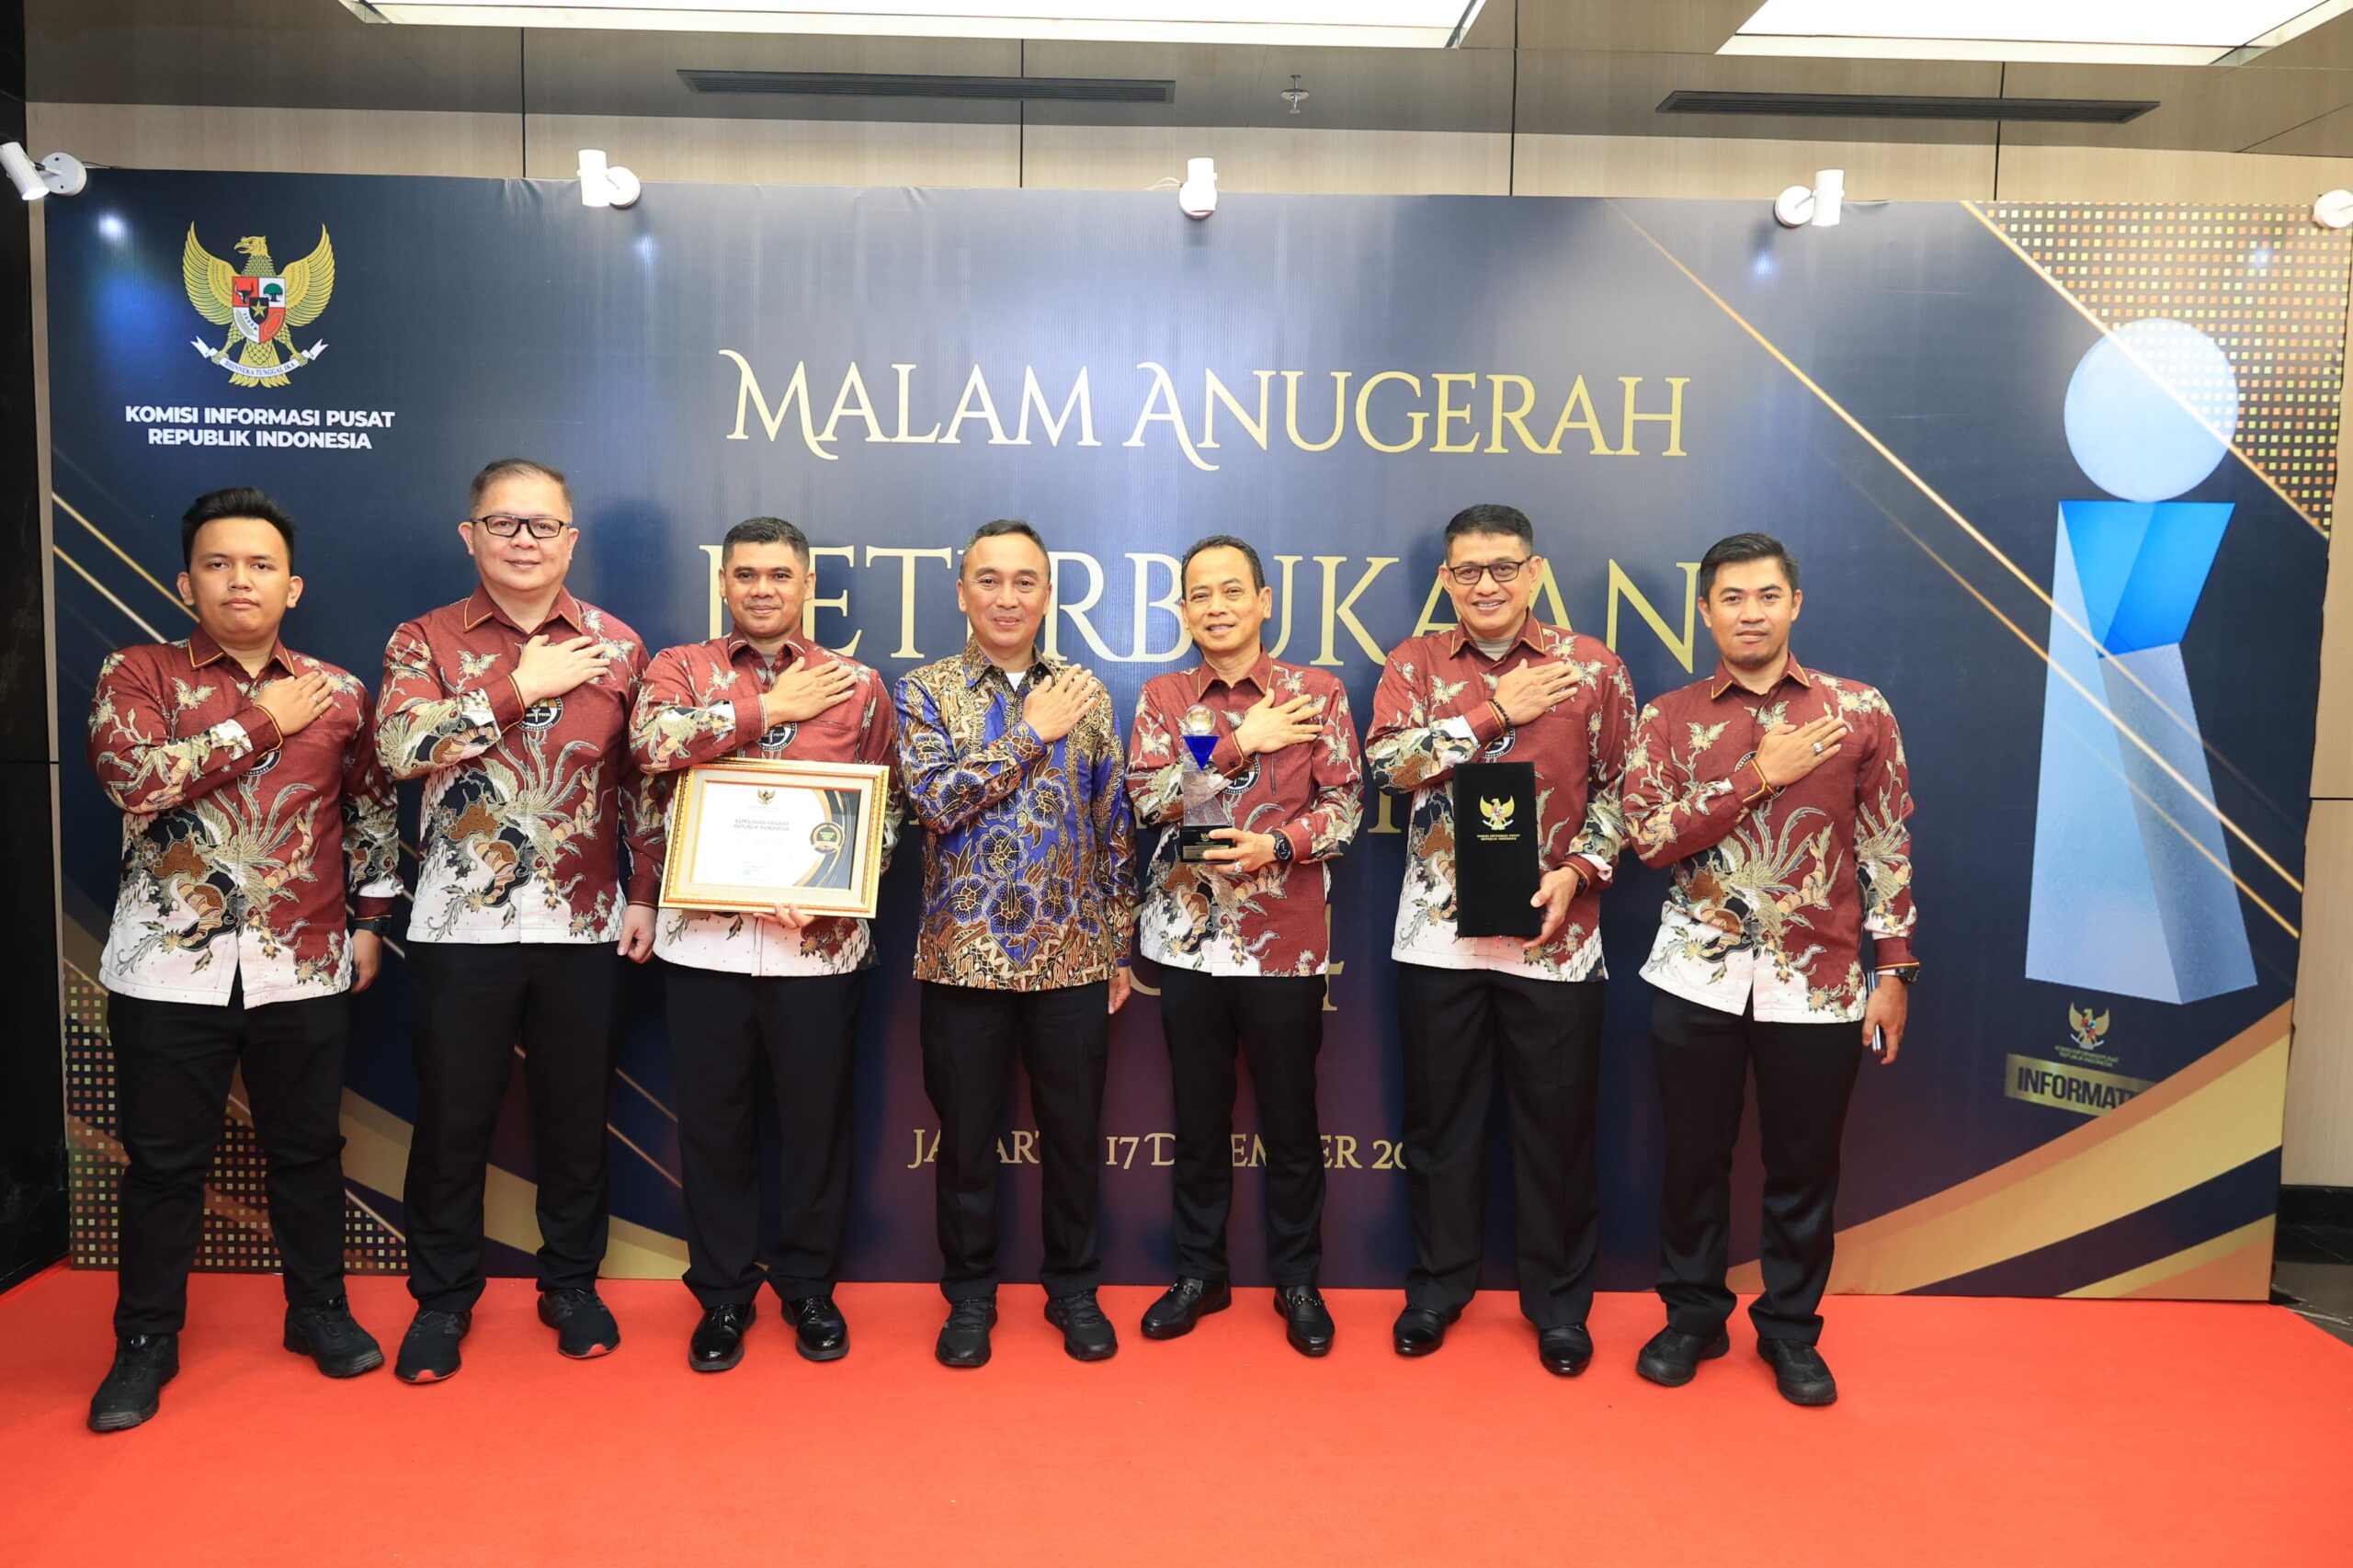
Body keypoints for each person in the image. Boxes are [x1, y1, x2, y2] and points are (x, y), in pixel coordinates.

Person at [85, 487, 400, 1431]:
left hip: (302, 962)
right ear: (187, 582)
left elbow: (370, 810)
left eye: (261, 565)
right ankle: (146, 1339)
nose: (239, 580)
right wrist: (262, 721)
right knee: (164, 1165)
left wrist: (371, 919)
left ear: (291, 586)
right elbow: (132, 778)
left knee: (307, 1150)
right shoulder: (137, 672)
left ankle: (318, 1309)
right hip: (165, 968)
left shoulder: (341, 692)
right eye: (218, 564)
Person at [376, 458, 658, 1382]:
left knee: (576, 1119)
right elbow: (399, 747)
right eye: (505, 523)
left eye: (543, 525)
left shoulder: (619, 647)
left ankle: (569, 1284)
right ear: (471, 536)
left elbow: (643, 786)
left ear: (571, 539)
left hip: (584, 924)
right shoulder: (423, 640)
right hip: (461, 926)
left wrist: (646, 892)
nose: (525, 540)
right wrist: (519, 684)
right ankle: (442, 1298)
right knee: (452, 1121)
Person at [1621, 530, 1917, 1407]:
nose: (1750, 613)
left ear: (1795, 604)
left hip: (1820, 979)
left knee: (1803, 1165)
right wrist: (1759, 773)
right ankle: (1693, 1317)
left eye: (1766, 596)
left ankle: (1790, 1329)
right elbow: (1650, 838)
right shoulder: (1666, 717)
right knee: (1693, 1159)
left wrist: (1895, 968)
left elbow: (1886, 845)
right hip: (1696, 974)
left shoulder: (1858, 709)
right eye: (1732, 598)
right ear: (1706, 612)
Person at [1365, 502, 1636, 1376]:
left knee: (1555, 1134)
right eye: (1469, 570)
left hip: (1556, 939)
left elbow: (1623, 791)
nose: (1487, 585)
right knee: (1440, 1129)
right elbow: (1387, 767)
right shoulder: (1412, 665)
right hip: (1437, 938)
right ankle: (1436, 1290)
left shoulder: (1591, 667)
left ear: (1535, 572)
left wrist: (1580, 872)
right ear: (1446, 578)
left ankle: (1559, 1307)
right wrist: (1491, 713)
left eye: (1504, 568)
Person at [630, 517, 899, 1372]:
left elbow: (885, 812)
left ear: (807, 584)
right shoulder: (680, 669)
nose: (762, 589)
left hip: (815, 949)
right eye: (746, 574)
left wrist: (832, 893)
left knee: (815, 1128)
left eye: (779, 575)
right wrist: (770, 709)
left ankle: (810, 1288)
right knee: (714, 1128)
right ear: (723, 583)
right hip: (703, 945)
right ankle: (722, 1295)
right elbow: (649, 750)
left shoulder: (858, 685)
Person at [895, 518, 1136, 1368]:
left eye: (1024, 581)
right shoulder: (924, 692)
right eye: (989, 580)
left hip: (1073, 957)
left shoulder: (1085, 692)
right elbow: (933, 802)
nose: (1007, 597)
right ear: (963, 592)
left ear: (1046, 595)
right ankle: (969, 1297)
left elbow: (1113, 824)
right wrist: (1032, 732)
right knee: (966, 1140)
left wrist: (1118, 943)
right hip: (962, 956)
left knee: (1072, 1137)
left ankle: (1074, 1288)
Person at [1125, 534, 1362, 1357]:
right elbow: (1151, 801)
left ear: (1264, 602)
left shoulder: (1316, 692)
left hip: (1283, 941)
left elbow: (1345, 807)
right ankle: (1200, 1274)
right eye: (1200, 594)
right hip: (1190, 943)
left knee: (1292, 1121)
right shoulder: (1165, 697)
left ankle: (1298, 1280)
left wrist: (1278, 846)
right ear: (1184, 610)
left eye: (1232, 591)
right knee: (1199, 1119)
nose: (1216, 606)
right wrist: (1241, 742)